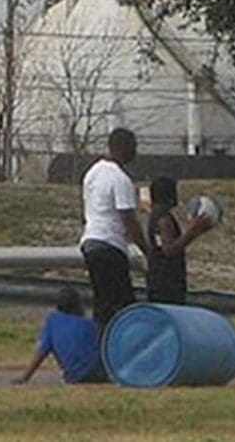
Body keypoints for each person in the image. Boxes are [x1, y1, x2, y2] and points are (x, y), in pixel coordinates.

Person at [80, 127, 147, 331]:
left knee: (103, 302)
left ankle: (98, 348)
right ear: (123, 147)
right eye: (133, 147)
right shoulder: (120, 179)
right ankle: (115, 351)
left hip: (90, 241)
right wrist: (147, 250)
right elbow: (129, 220)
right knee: (123, 305)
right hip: (110, 245)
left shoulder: (93, 172)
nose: (135, 152)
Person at [13, 285, 107, 385]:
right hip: (99, 372)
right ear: (78, 306)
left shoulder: (52, 321)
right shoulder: (90, 325)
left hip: (74, 376)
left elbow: (41, 352)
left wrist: (25, 377)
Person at [145, 176, 214, 304]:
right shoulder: (164, 220)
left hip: (156, 278)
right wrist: (193, 231)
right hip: (168, 281)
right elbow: (170, 249)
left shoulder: (154, 215)